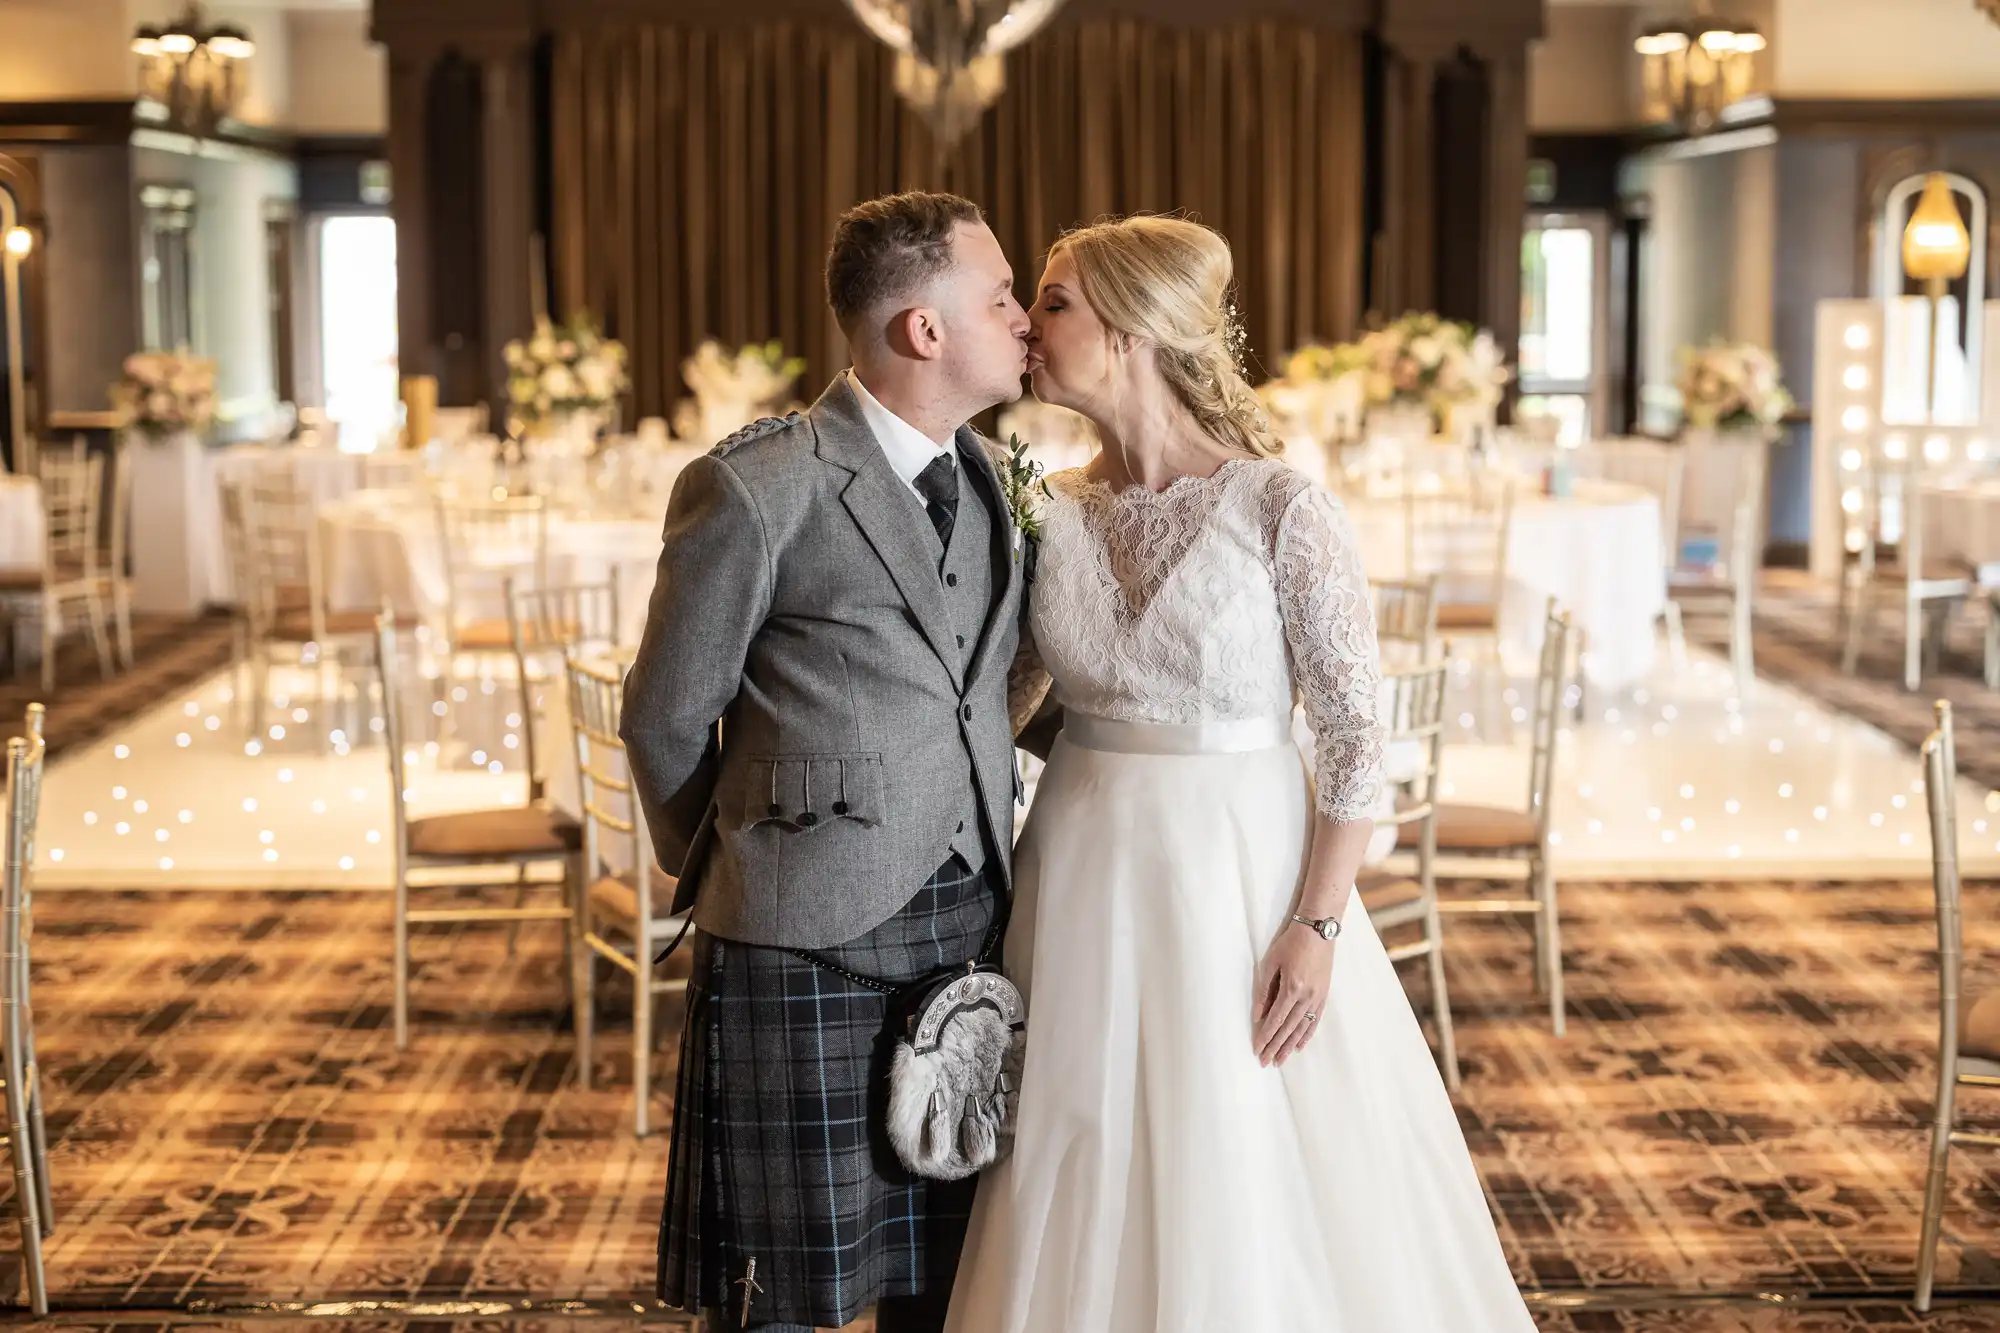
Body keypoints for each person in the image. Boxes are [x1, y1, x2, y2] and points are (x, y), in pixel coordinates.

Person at [945, 215, 1539, 1332]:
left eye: (1054, 301)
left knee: (1238, 1136)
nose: (1027, 322)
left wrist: (1315, 928)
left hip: (1240, 877)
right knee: (1081, 1136)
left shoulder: (1281, 507)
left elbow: (1360, 744)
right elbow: (1005, 700)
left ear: (1126, 328)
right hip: (1076, 870)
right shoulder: (1047, 509)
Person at [620, 190, 1032, 1333]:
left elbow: (983, 685)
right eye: (998, 297)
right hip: (796, 941)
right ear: (924, 329)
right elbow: (659, 718)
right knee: (781, 1294)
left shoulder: (993, 480)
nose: (1022, 319)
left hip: (965, 921)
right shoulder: (758, 485)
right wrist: (740, 867)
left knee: (939, 1272)